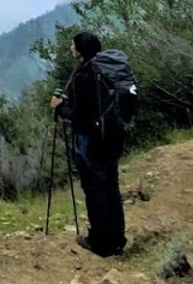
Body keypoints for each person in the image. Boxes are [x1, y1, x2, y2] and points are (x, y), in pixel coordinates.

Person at [50, 31, 126, 257]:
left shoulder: (84, 76)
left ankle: (100, 242)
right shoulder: (104, 70)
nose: (70, 49)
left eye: (73, 45)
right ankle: (117, 239)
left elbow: (79, 117)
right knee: (111, 187)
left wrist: (59, 107)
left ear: (80, 50)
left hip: (90, 140)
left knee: (94, 190)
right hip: (111, 137)